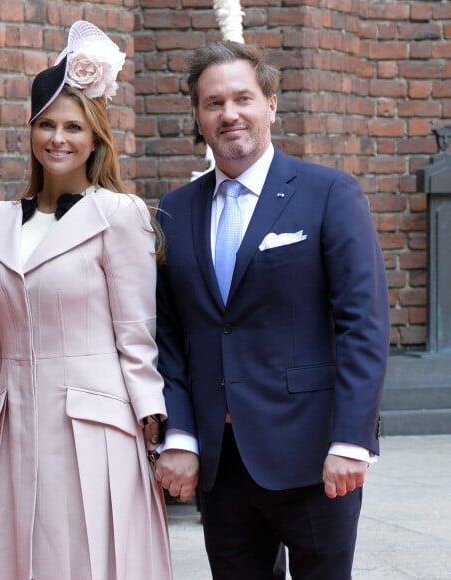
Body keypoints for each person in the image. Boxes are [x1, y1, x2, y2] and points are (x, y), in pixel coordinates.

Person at [154, 40, 390, 579]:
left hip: (313, 455)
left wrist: (352, 440)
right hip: (221, 462)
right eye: (213, 103)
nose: (229, 114)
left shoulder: (329, 193)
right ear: (197, 115)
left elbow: (364, 326)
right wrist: (182, 436)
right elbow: (170, 336)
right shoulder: (174, 210)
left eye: (243, 98)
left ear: (271, 105)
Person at [0, 21, 172, 580]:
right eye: (46, 124)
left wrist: (153, 422)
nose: (58, 138)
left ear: (96, 136)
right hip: (20, 425)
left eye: (74, 126)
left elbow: (136, 333)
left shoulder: (118, 215)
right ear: (30, 131)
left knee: (97, 560)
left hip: (96, 428)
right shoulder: (0, 221)